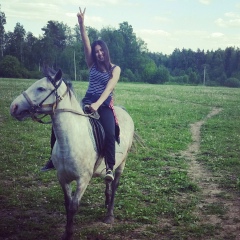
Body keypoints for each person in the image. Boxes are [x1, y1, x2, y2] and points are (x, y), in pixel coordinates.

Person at [41, 7, 121, 182]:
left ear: (106, 52)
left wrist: (97, 105)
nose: (99, 53)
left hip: (104, 104)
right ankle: (53, 159)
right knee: (59, 121)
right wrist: (82, 24)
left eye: (101, 50)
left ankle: (109, 167)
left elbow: (108, 89)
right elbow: (86, 43)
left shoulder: (115, 69)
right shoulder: (91, 64)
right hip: (86, 100)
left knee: (109, 132)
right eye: (97, 51)